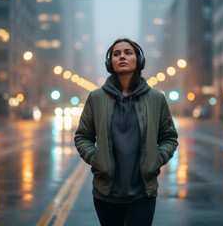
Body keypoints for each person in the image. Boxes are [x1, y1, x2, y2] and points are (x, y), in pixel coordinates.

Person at [74, 38, 178, 226]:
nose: (122, 56)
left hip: (143, 193)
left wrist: (157, 158)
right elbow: (83, 136)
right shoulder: (96, 98)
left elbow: (169, 138)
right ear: (109, 63)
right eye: (116, 54)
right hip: (105, 192)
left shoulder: (156, 99)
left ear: (139, 60)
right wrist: (95, 158)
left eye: (128, 52)